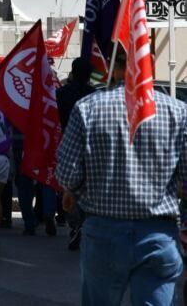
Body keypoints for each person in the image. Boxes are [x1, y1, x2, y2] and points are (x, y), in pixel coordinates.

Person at [57, 53, 187, 306]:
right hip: (158, 232)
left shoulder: (88, 108)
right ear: (148, 64)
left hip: (103, 231)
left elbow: (68, 174)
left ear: (113, 68)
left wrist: (74, 190)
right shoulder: (178, 111)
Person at [55, 56, 95, 250]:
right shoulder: (94, 95)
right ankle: (84, 223)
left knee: (68, 188)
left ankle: (75, 224)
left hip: (66, 144)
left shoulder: (61, 94)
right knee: (88, 189)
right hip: (91, 148)